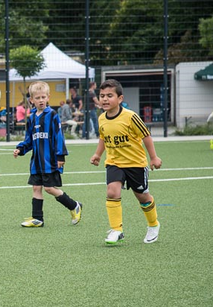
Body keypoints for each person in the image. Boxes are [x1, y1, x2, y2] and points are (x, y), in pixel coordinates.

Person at [90, 79, 162, 245]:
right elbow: (103, 137)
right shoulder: (101, 118)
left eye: (109, 96)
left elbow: (146, 136)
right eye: (102, 96)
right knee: (112, 192)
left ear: (120, 99)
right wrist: (97, 154)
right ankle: (117, 230)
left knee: (142, 197)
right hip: (114, 162)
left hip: (135, 163)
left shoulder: (130, 117)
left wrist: (154, 157)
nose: (105, 99)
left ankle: (153, 224)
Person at [13, 81, 82, 228]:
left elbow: (58, 135)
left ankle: (74, 205)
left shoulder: (52, 115)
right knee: (36, 188)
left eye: (43, 97)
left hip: (49, 161)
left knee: (49, 189)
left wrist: (60, 156)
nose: (41, 100)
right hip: (36, 162)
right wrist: (20, 149)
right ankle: (38, 219)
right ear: (31, 100)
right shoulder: (31, 118)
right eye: (37, 98)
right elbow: (29, 139)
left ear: (48, 97)